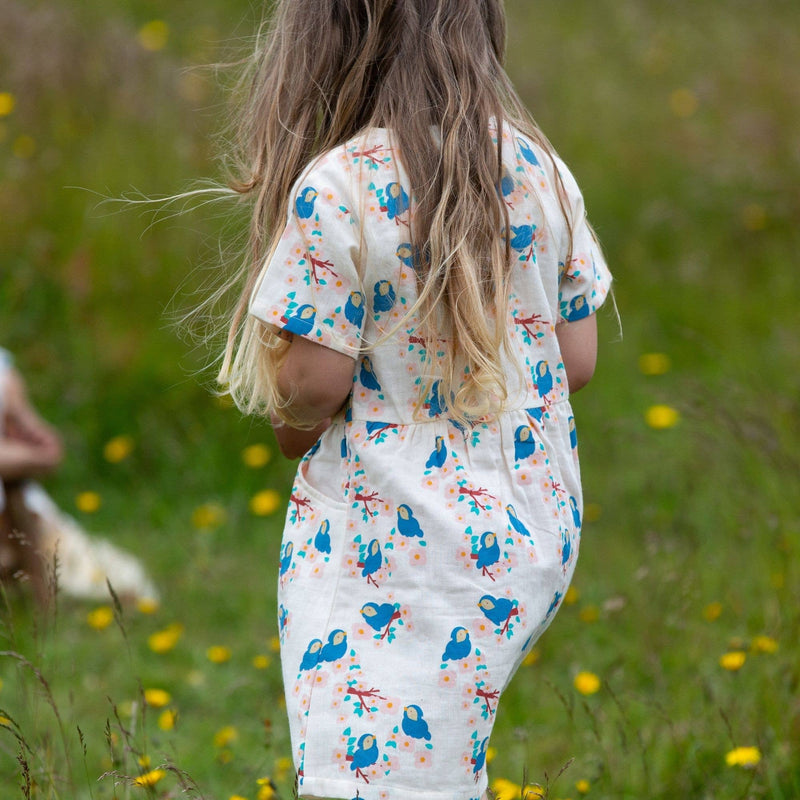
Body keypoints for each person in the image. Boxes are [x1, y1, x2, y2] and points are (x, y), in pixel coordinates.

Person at [217, 2, 613, 799]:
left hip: (392, 537)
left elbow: (317, 382)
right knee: (436, 758)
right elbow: (575, 358)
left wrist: (293, 420)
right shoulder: (541, 169)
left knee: (364, 774)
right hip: (525, 529)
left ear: (328, 39)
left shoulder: (339, 187)